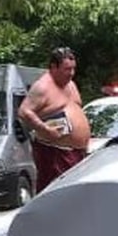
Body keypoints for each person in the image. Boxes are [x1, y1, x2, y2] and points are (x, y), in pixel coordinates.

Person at [19, 47, 91, 193]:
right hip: (55, 153)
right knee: (59, 194)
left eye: (73, 69)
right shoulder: (42, 87)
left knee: (80, 194)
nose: (71, 73)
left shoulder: (70, 84)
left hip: (78, 152)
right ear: (53, 67)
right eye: (66, 69)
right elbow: (24, 111)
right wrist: (44, 129)